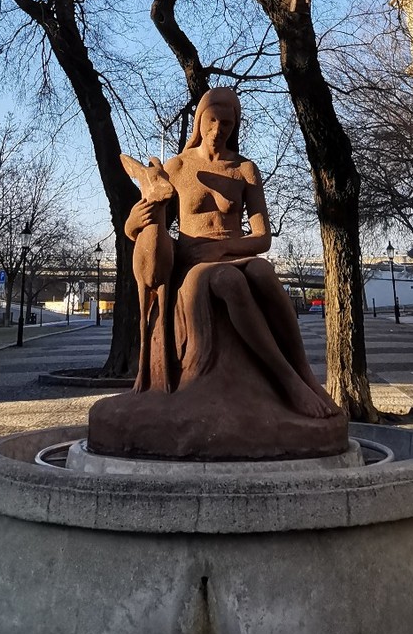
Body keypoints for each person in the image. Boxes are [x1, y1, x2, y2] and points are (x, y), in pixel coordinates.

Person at [121, 86, 338, 419]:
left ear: (235, 126)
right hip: (194, 263)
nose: (217, 129)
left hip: (235, 252)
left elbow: (262, 238)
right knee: (228, 282)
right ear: (199, 122)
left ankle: (304, 374)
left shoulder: (244, 169)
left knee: (263, 273)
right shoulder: (177, 166)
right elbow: (155, 223)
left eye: (226, 123)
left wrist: (222, 246)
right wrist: (133, 223)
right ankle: (287, 381)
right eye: (211, 121)